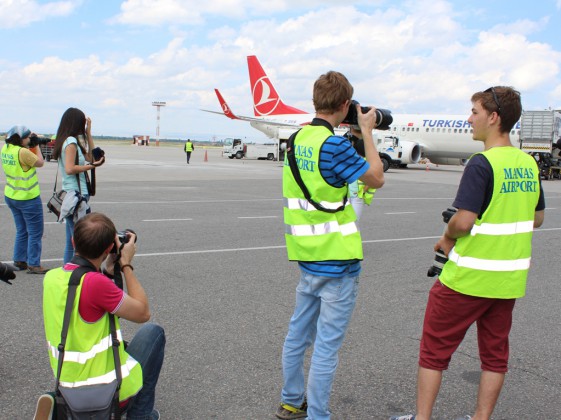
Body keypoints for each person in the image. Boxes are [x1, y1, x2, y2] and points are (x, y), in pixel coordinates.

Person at [390, 87, 545, 420]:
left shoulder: (481, 164)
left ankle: (422, 418)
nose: (469, 118)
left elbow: (463, 220)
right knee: (494, 356)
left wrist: (447, 236)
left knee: (433, 352)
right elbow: (537, 217)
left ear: (493, 117)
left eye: (474, 111)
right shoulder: (528, 163)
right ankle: (480, 418)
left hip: (467, 279)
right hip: (507, 282)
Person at [277, 71, 385, 420]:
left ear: (315, 101)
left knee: (297, 335)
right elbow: (376, 178)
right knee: (325, 347)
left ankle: (292, 399)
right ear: (344, 105)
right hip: (338, 261)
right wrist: (366, 132)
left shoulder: (296, 140)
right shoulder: (334, 145)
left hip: (307, 257)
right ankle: (318, 415)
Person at [34, 212, 165, 420]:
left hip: (67, 380)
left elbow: (85, 301)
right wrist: (126, 265)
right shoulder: (96, 284)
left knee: (123, 343)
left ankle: (62, 406)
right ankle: (140, 415)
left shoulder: (52, 278)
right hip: (104, 392)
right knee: (153, 333)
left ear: (73, 241)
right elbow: (142, 312)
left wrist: (107, 271)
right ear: (108, 249)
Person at [52, 108, 105, 263]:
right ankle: (74, 272)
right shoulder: (71, 143)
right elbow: (70, 169)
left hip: (74, 193)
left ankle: (67, 271)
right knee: (78, 240)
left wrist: (88, 133)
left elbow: (90, 156)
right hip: (75, 195)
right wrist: (92, 167)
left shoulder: (68, 140)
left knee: (71, 239)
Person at [1, 126, 49, 274]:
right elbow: (40, 163)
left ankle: (19, 260)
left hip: (11, 195)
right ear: (21, 139)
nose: (29, 139)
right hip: (27, 197)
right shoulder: (22, 152)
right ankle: (34, 264)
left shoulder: (6, 148)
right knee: (35, 232)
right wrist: (36, 145)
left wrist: (31, 143)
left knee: (22, 230)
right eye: (28, 137)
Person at [347, 128, 376, 223]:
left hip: (356, 195)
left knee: (353, 222)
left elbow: (372, 180)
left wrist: (363, 191)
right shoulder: (355, 160)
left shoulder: (365, 162)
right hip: (348, 195)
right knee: (350, 221)